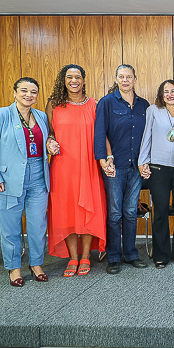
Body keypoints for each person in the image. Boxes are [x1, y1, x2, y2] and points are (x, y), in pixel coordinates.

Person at [0, 77, 51, 286]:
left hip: (38, 176)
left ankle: (36, 264)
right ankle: (14, 268)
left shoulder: (41, 116)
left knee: (38, 225)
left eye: (33, 92)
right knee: (10, 227)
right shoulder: (0, 115)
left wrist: (51, 145)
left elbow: (43, 142)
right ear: (14, 92)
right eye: (24, 90)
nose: (29, 95)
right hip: (8, 179)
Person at [45, 64, 106, 277]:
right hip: (63, 167)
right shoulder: (54, 105)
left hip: (89, 165)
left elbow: (101, 135)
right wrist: (49, 142)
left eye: (77, 77)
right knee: (66, 212)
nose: (74, 81)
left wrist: (106, 159)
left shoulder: (94, 104)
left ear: (83, 80)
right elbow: (49, 133)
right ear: (63, 80)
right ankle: (73, 257)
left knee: (87, 209)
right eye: (69, 77)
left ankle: (86, 255)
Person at [94, 64, 149, 274]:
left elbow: (148, 137)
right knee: (115, 213)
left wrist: (147, 161)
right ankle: (114, 256)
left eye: (129, 77)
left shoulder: (144, 105)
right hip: (114, 167)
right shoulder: (107, 103)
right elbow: (100, 133)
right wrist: (103, 160)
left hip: (136, 166)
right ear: (116, 79)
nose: (125, 80)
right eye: (121, 77)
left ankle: (131, 254)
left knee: (129, 211)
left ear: (135, 79)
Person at [138, 79, 174, 268]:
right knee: (160, 211)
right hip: (158, 168)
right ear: (161, 95)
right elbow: (146, 136)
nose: (170, 94)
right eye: (166, 91)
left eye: (173, 91)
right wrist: (142, 162)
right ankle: (160, 254)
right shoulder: (153, 111)